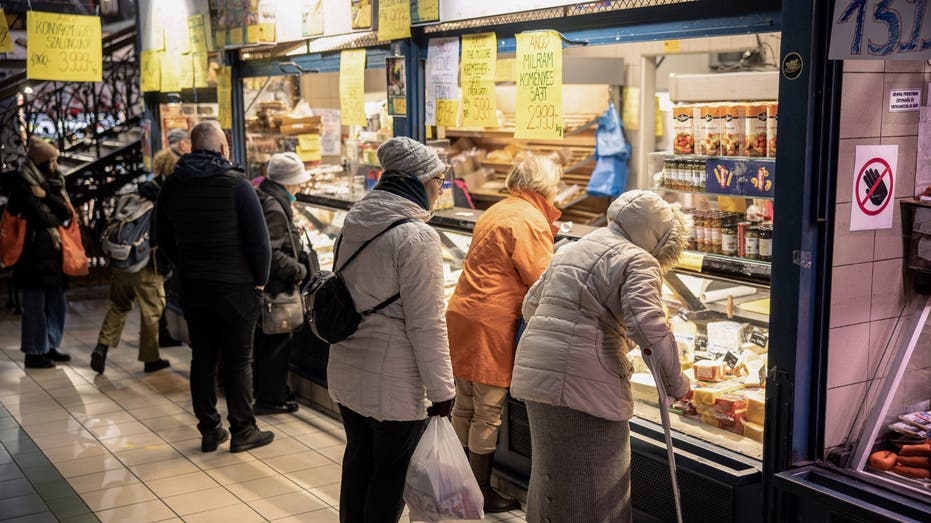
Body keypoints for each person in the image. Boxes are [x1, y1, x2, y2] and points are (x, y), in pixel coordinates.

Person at [510, 190, 692, 522]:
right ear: (659, 238)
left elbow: (531, 305)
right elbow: (650, 328)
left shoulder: (574, 247)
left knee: (551, 477)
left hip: (536, 375)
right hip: (585, 388)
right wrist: (677, 383)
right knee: (598, 489)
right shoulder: (638, 259)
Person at [327, 137, 455, 523]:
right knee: (389, 478)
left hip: (347, 368)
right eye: (440, 180)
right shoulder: (417, 236)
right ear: (419, 181)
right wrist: (443, 390)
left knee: (358, 460)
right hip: (393, 384)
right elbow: (427, 323)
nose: (441, 189)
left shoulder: (355, 219)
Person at [446, 155, 562, 513]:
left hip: (462, 313)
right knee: (487, 413)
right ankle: (478, 493)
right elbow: (543, 280)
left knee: (463, 405)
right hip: (490, 324)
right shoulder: (529, 219)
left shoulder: (498, 209)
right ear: (545, 186)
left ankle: (459, 487)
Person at [153, 120, 274, 454]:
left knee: (202, 359)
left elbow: (160, 236)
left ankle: (209, 429)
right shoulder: (237, 184)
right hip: (236, 287)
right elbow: (259, 241)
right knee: (238, 360)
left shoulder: (173, 185)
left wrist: (184, 261)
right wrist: (260, 279)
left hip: (193, 286)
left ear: (192, 148)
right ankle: (243, 429)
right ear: (223, 149)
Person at [90, 150, 177, 375]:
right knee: (151, 312)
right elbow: (164, 237)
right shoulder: (165, 198)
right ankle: (151, 359)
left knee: (119, 305)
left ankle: (102, 347)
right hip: (147, 265)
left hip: (122, 262)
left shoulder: (139, 192)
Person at [253, 152, 310, 415]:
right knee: (275, 346)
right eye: (297, 182)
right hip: (277, 290)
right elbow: (272, 253)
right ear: (288, 182)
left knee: (269, 346)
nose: (299, 188)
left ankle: (271, 393)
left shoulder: (264, 196)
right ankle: (271, 398)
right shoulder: (275, 207)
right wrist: (299, 269)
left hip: (271, 288)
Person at [9, 137, 73, 369]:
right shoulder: (22, 182)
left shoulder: (52, 182)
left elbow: (65, 212)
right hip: (32, 254)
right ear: (42, 162)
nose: (56, 164)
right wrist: (54, 211)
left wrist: (46, 195)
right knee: (35, 306)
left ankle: (51, 345)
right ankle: (35, 351)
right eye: (53, 160)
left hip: (54, 252)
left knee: (57, 303)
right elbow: (40, 217)